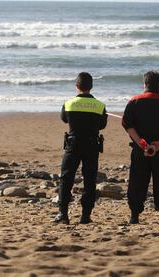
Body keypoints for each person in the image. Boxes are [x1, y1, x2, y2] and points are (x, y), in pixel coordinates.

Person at [122, 71, 159, 224]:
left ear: (144, 84)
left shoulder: (133, 102)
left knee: (137, 181)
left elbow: (128, 126)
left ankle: (135, 215)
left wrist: (142, 145)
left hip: (140, 150)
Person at [53, 72, 108, 224]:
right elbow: (102, 125)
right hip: (91, 145)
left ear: (77, 86)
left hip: (73, 144)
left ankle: (63, 213)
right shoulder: (100, 105)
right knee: (89, 180)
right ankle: (85, 215)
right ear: (91, 86)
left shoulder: (69, 103)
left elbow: (64, 119)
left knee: (66, 178)